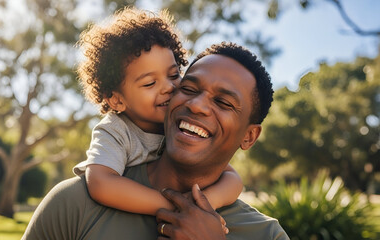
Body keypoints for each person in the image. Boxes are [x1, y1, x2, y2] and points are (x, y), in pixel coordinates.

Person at [22, 42, 289, 240]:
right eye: (188, 88)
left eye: (222, 102)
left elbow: (233, 179)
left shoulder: (267, 235)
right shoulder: (74, 204)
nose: (196, 106)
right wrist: (178, 207)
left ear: (249, 136)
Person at [73, 6, 243, 223]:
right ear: (116, 99)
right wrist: (173, 206)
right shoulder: (115, 130)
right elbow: (100, 183)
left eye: (173, 75)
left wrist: (202, 205)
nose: (168, 88)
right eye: (150, 83)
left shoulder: (182, 124)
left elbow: (233, 178)